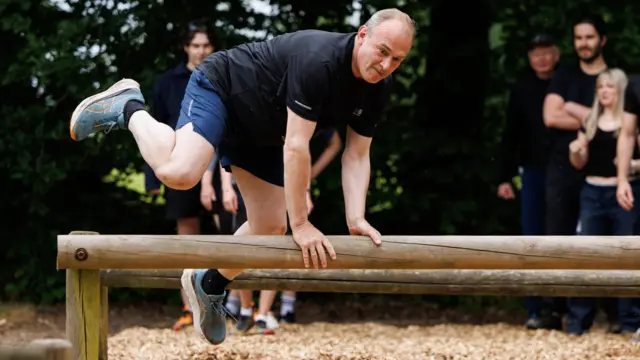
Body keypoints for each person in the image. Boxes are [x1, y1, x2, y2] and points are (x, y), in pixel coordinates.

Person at [68, 8, 416, 346]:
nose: (385, 65)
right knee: (180, 173)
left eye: (397, 60)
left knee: (268, 226)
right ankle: (129, 107)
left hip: (264, 131)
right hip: (226, 89)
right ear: (362, 35)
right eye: (382, 52)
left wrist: (356, 218)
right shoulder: (319, 60)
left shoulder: (378, 88)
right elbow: (296, 147)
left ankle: (210, 282)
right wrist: (302, 223)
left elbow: (356, 154)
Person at [142, 20, 234, 331]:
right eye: (196, 45)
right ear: (186, 47)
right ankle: (186, 307)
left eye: (206, 45)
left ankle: (225, 304)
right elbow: (155, 126)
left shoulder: (223, 78)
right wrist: (152, 178)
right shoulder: (168, 81)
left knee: (230, 232)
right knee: (187, 235)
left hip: (222, 166)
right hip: (179, 166)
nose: (201, 50)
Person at [231, 127, 343, 333]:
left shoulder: (299, 108)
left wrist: (305, 188)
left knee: (277, 248)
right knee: (243, 247)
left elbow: (301, 150)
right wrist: (226, 185)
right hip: (247, 180)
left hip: (285, 185)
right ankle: (246, 311)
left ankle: (263, 314)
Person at [542, 15, 609, 333]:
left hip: (604, 173)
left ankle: (613, 312)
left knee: (608, 242)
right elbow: (550, 117)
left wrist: (574, 109)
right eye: (578, 37)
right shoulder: (564, 75)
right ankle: (555, 311)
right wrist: (599, 120)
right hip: (561, 170)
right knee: (559, 237)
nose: (584, 43)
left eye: (590, 37)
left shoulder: (613, 78)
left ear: (602, 40)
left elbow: (622, 122)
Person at [566, 68, 640, 336]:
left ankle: (630, 322)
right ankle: (577, 323)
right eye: (600, 87)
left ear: (621, 90)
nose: (605, 92)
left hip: (624, 192)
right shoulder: (590, 120)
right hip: (592, 191)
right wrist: (576, 151)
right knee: (587, 256)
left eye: (610, 86)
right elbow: (579, 163)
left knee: (627, 257)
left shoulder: (630, 122)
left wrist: (630, 164)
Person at [495, 33, 559, 330]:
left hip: (567, 173)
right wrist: (503, 177)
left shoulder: (568, 83)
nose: (542, 58)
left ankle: (567, 308)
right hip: (532, 173)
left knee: (567, 239)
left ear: (556, 53)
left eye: (547, 52)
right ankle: (536, 309)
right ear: (529, 57)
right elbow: (510, 136)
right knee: (532, 239)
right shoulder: (521, 90)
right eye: (536, 53)